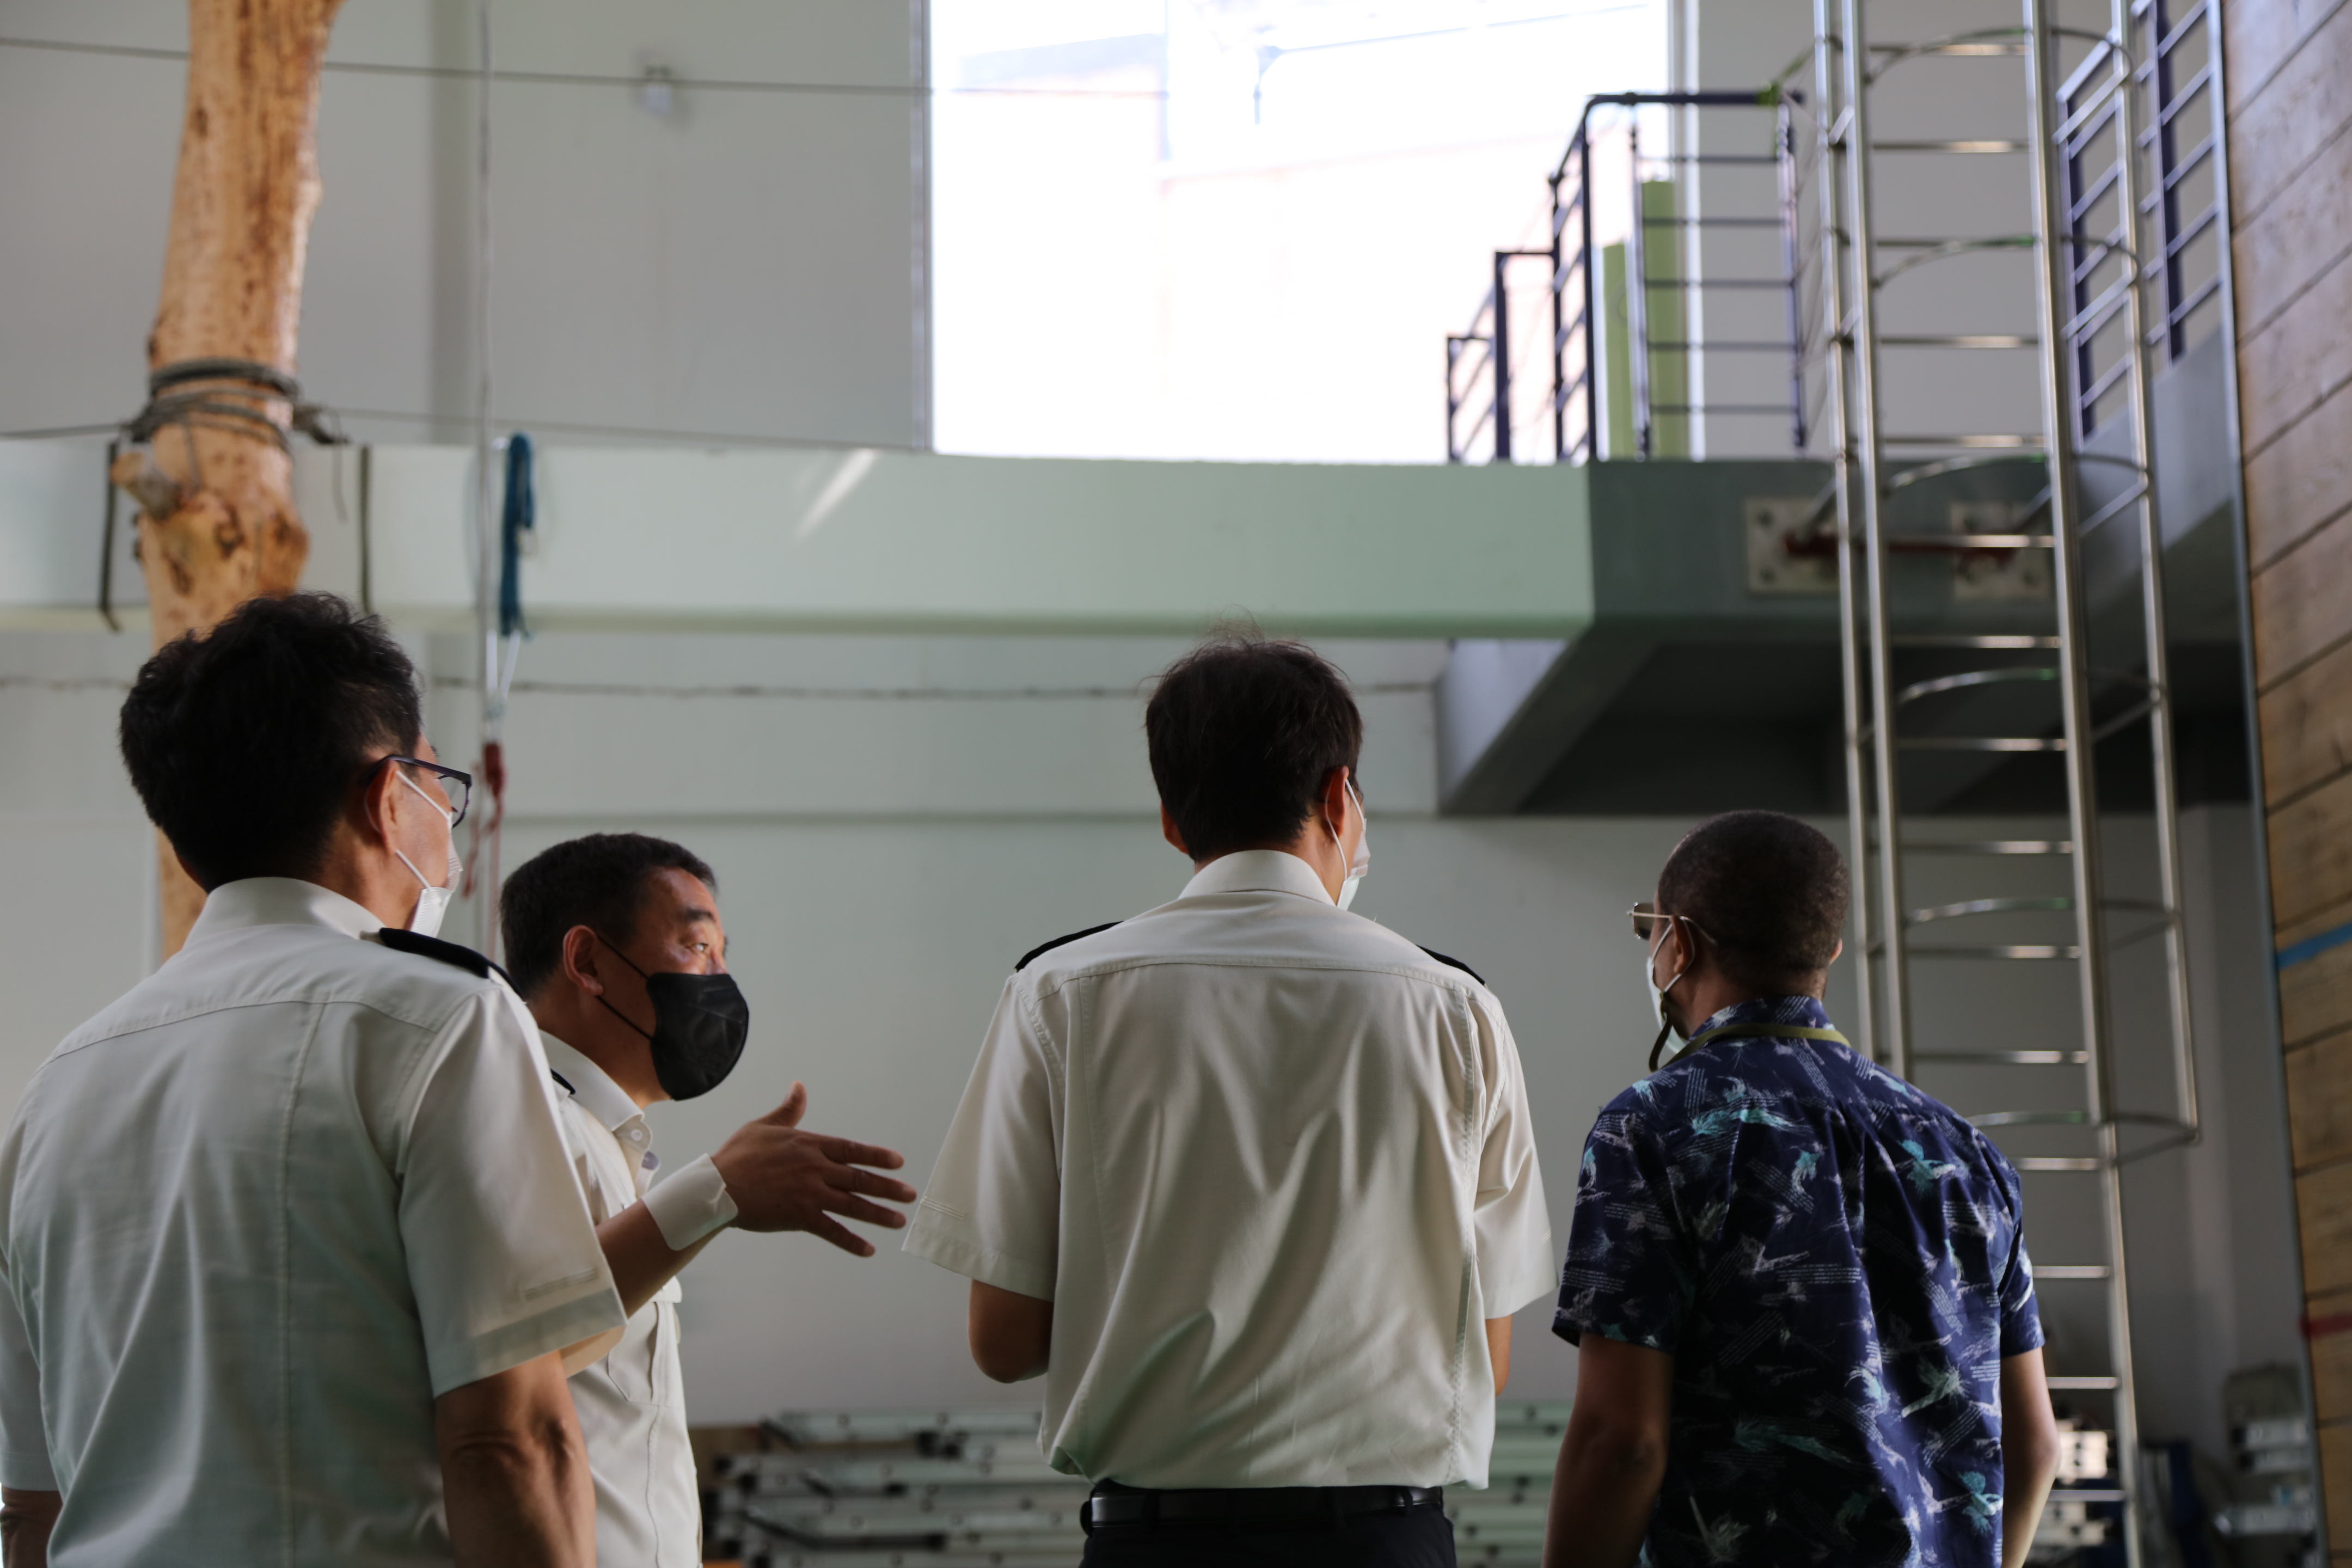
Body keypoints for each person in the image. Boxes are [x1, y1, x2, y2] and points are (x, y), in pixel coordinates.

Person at [0, 593, 624, 1568]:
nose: (448, 831)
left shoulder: (56, 1090)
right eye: (438, 788)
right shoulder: (438, 1019)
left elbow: (35, 1507)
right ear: (388, 797)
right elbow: (507, 1441)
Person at [906, 631, 1554, 1568]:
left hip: (1155, 1545)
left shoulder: (1059, 994)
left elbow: (1003, 1343)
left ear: (1173, 821)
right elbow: (1485, 1359)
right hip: (1384, 1541)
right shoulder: (1457, 1009)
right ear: (1339, 797)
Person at [1542, 811, 2062, 1568]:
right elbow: (2035, 1444)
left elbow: (1623, 1441)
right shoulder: (1964, 1152)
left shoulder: (1656, 1127)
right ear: (1830, 951)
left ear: (1679, 943)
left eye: (1650, 932)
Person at [498, 832, 920, 1568]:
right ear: (588, 963)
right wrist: (714, 1192)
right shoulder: (519, 1123)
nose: (722, 981)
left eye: (724, 954)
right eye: (697, 947)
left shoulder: (604, 1140)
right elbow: (510, 1344)